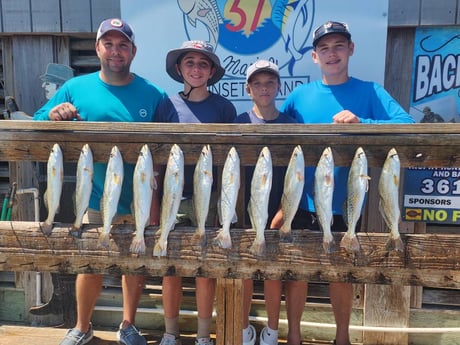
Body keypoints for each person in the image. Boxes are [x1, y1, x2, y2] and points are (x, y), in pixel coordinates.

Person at [277, 21, 415, 345]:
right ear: (314, 57)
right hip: (301, 202)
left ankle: (343, 338)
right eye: (324, 48)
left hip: (346, 204)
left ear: (351, 49)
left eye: (338, 46)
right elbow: (280, 141)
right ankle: (294, 338)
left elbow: (406, 124)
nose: (332, 53)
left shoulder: (370, 92)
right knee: (297, 274)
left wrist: (362, 122)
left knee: (342, 274)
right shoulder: (298, 97)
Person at [34, 18, 168, 345]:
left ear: (133, 51)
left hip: (137, 199)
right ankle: (82, 327)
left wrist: (154, 204)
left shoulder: (154, 94)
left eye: (123, 45)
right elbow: (38, 120)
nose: (116, 51)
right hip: (92, 197)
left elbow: (167, 151)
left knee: (133, 265)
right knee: (90, 263)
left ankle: (128, 325)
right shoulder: (75, 89)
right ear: (97, 48)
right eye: (109, 44)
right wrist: (53, 115)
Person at [153, 40, 236, 345]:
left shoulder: (224, 107)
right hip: (171, 198)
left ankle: (203, 336)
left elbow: (231, 160)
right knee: (170, 267)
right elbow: (159, 157)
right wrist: (154, 202)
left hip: (211, 198)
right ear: (179, 68)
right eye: (190, 63)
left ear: (212, 71)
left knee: (205, 267)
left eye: (203, 64)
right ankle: (170, 333)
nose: (196, 69)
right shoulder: (166, 104)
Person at [235, 60, 306, 345]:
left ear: (278, 86)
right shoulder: (239, 123)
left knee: (274, 274)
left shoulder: (291, 125)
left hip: (281, 212)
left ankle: (272, 332)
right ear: (248, 89)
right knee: (244, 274)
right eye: (257, 84)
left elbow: (297, 178)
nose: (264, 89)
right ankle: (243, 329)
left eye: (269, 83)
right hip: (244, 214)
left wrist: (283, 213)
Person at [29, 63, 76, 325]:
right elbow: (36, 118)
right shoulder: (50, 112)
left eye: (50, 83)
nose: (45, 86)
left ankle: (71, 310)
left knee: (69, 242)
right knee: (55, 242)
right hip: (53, 184)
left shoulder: (75, 112)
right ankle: (61, 300)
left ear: (61, 87)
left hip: (71, 187)